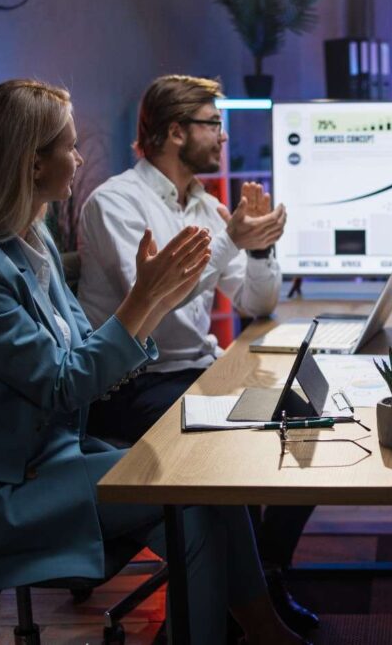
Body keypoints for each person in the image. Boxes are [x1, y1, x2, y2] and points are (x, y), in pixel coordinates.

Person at [0, 80, 304, 644]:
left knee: (202, 496)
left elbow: (79, 361)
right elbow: (65, 382)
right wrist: (147, 297)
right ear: (31, 163)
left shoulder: (32, 244)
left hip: (52, 457)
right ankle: (256, 630)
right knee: (195, 492)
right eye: (68, 146)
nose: (80, 156)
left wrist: (158, 293)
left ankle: (253, 629)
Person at [77, 74, 317, 631]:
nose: (224, 137)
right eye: (214, 125)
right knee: (235, 447)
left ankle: (265, 576)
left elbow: (257, 300)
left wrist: (260, 248)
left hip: (198, 372)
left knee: (309, 419)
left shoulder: (206, 207)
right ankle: (249, 611)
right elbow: (161, 301)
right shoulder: (116, 203)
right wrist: (233, 238)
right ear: (175, 131)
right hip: (134, 382)